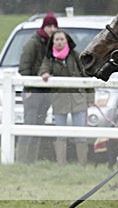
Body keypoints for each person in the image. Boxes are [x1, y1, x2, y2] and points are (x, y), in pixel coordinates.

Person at [40, 29, 93, 165]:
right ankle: (61, 164)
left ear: (67, 40)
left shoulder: (76, 56)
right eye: (56, 40)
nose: (59, 42)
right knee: (60, 134)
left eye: (61, 39)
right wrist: (45, 74)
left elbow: (87, 76)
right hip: (59, 100)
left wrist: (90, 99)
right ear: (52, 42)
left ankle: (82, 164)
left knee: (80, 134)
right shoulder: (49, 57)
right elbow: (43, 69)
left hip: (78, 99)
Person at [16, 11, 57, 164]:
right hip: (33, 91)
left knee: (38, 126)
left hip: (46, 92)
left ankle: (31, 160)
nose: (52, 29)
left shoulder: (51, 45)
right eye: (50, 25)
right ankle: (21, 160)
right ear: (44, 26)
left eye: (54, 26)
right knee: (29, 125)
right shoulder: (33, 43)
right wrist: (29, 88)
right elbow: (24, 67)